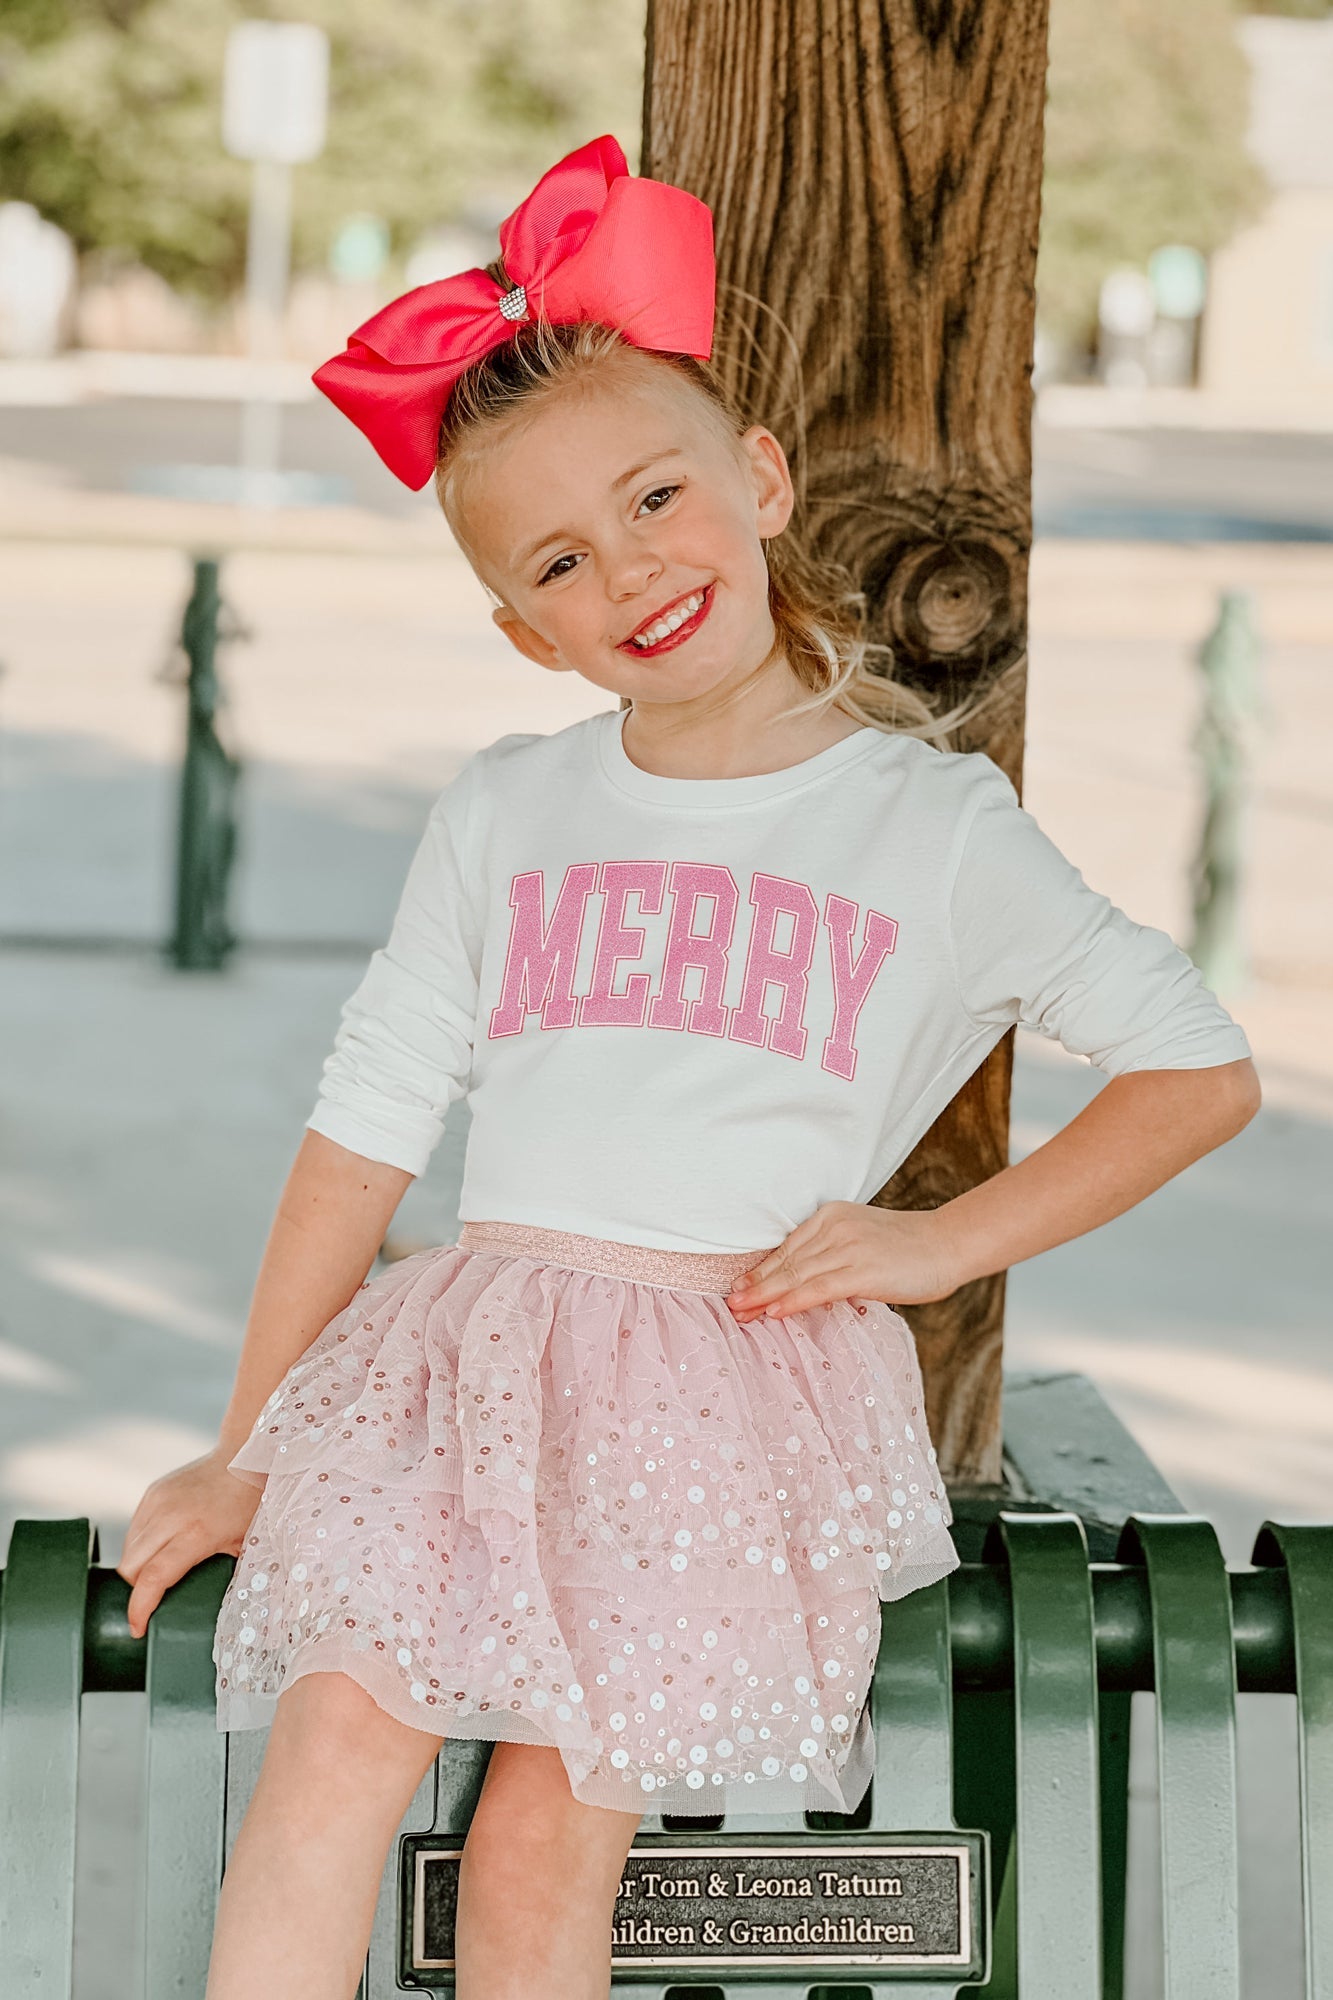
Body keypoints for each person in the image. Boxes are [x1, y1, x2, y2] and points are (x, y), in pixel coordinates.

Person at [115, 135, 1260, 2000]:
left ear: (760, 474)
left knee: (551, 1836)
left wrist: (930, 1247)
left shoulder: (933, 833)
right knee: (328, 1756)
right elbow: (360, 1140)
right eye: (561, 561)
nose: (629, 570)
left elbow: (1193, 1071)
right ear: (518, 626)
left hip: (711, 1398)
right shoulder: (510, 810)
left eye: (656, 497)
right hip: (460, 1370)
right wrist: (242, 1454)